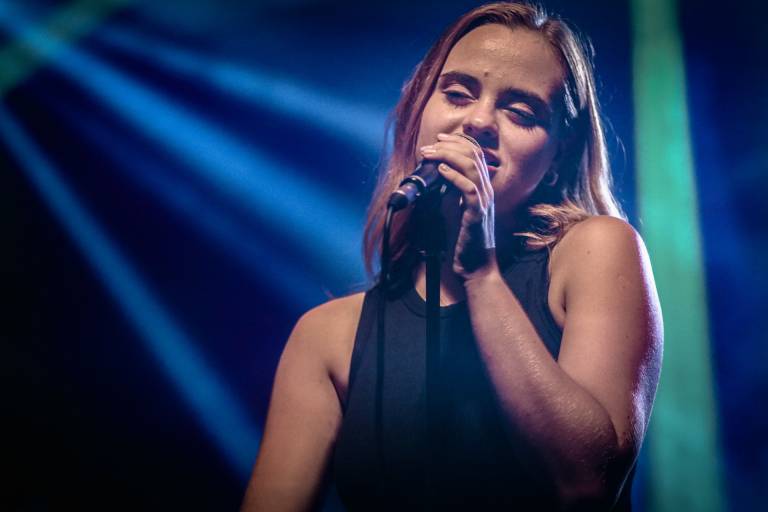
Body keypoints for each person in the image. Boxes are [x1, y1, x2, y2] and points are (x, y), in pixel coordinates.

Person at [241, 2, 662, 510]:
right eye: (458, 94)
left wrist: (482, 275)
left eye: (520, 112)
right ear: (418, 113)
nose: (479, 121)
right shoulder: (328, 338)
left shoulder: (596, 252)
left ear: (558, 157)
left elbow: (587, 484)